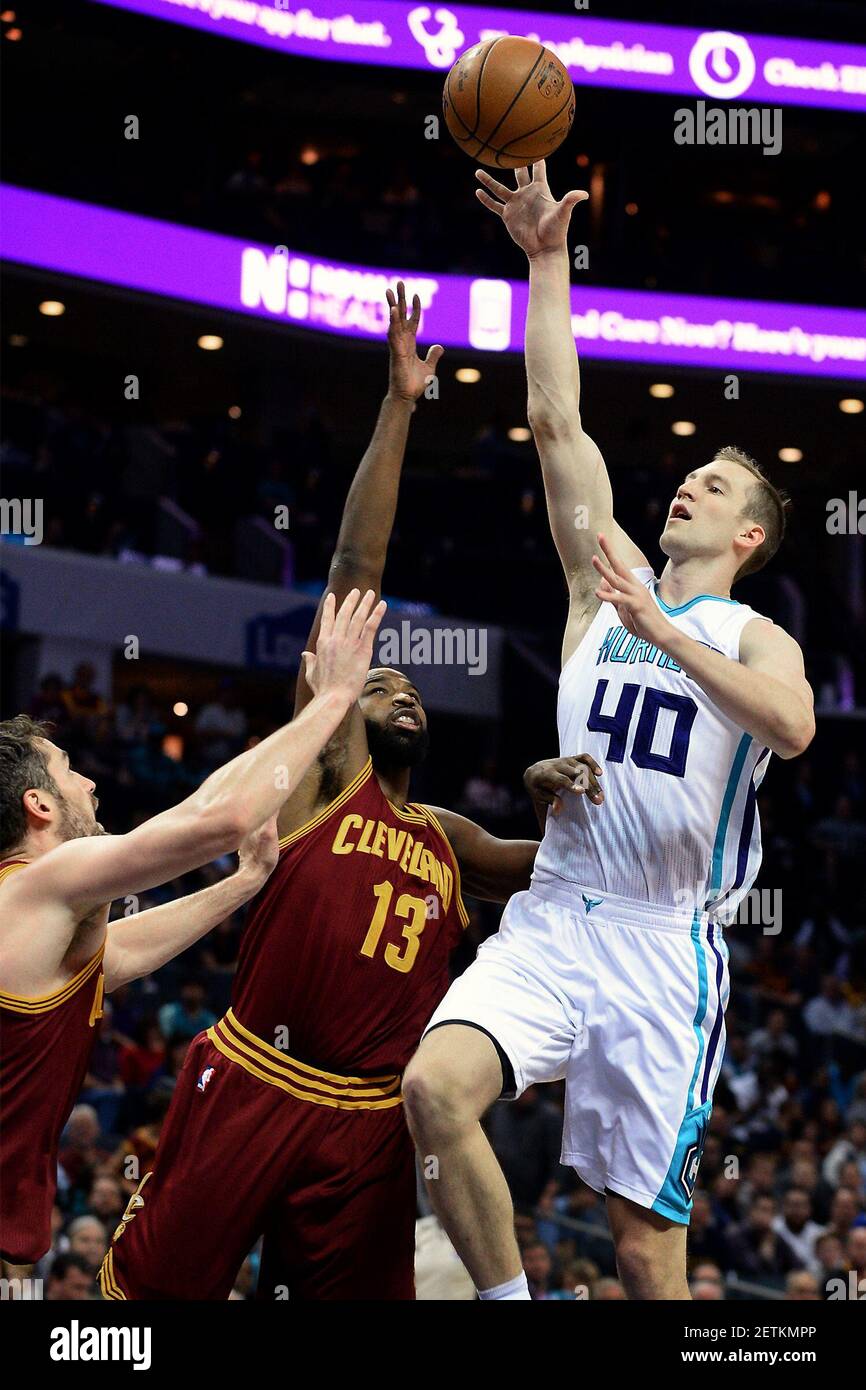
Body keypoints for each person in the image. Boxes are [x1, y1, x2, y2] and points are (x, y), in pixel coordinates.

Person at [102, 284, 603, 1302]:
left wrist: (559, 782)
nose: (396, 686)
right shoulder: (327, 771)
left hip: (372, 1122)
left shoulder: (446, 836)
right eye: (377, 678)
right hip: (253, 1077)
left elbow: (572, 865)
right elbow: (351, 568)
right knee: (141, 1305)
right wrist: (398, 403)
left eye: (408, 682)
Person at [402, 162, 815, 1301]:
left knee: (642, 1255)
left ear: (746, 536)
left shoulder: (748, 630)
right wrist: (543, 260)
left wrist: (667, 634)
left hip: (659, 947)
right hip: (553, 914)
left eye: (716, 484)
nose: (688, 482)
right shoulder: (605, 584)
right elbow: (552, 420)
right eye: (689, 470)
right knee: (432, 1091)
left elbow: (791, 728)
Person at [0, 586, 386, 1267]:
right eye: (69, 772)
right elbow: (216, 820)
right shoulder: (38, 885)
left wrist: (241, 884)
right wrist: (333, 699)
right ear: (38, 804)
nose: (91, 783)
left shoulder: (39, 922)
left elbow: (117, 956)